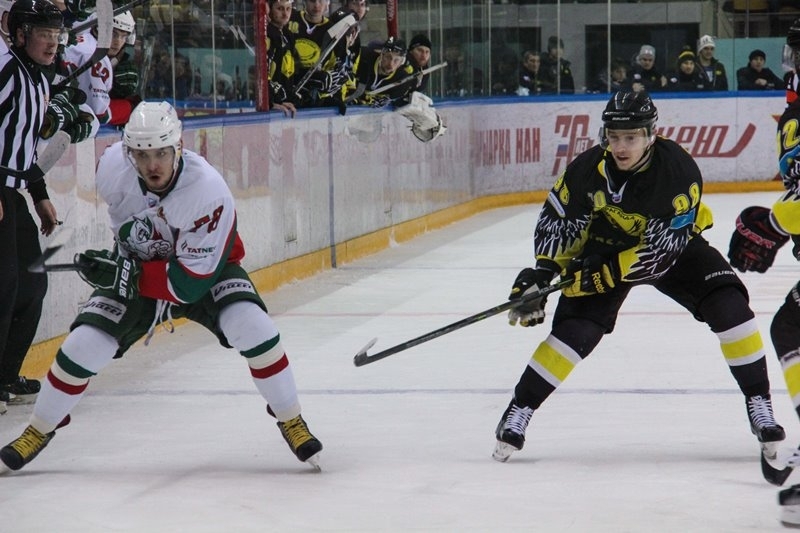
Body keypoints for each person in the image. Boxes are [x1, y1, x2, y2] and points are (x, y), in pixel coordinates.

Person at [0, 101, 324, 473]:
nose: (152, 164)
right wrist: (118, 266)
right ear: (128, 153)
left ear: (178, 148)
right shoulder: (112, 169)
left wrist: (122, 274)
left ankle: (291, 417)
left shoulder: (207, 192)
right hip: (138, 270)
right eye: (142, 154)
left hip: (205, 273)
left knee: (255, 328)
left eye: (161, 153)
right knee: (81, 346)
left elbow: (187, 285)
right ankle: (39, 429)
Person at [492, 91, 785, 476]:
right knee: (576, 331)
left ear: (651, 135)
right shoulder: (587, 169)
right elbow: (560, 222)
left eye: (630, 137)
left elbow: (661, 252)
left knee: (730, 307)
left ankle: (759, 402)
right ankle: (519, 409)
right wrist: (542, 273)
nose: (621, 146)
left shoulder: (677, 170)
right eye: (614, 136)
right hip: (606, 246)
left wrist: (605, 274)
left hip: (673, 247)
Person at [0, 0, 68, 414]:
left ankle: (5, 376)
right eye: (44, 34)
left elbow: (23, 148)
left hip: (14, 193)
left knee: (31, 282)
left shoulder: (38, 79)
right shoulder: (7, 71)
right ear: (21, 34)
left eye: (56, 35)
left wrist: (39, 193)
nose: (52, 43)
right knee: (4, 284)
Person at [62, 11, 138, 126]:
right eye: (113, 33)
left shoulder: (84, 42)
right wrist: (130, 108)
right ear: (98, 30)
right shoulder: (96, 56)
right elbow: (97, 115)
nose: (118, 42)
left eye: (124, 36)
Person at [267, 0, 300, 117]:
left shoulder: (288, 34)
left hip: (284, 101)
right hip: (273, 105)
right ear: (269, 9)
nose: (285, 14)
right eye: (280, 9)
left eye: (288, 9)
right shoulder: (267, 34)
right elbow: (263, 73)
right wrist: (271, 102)